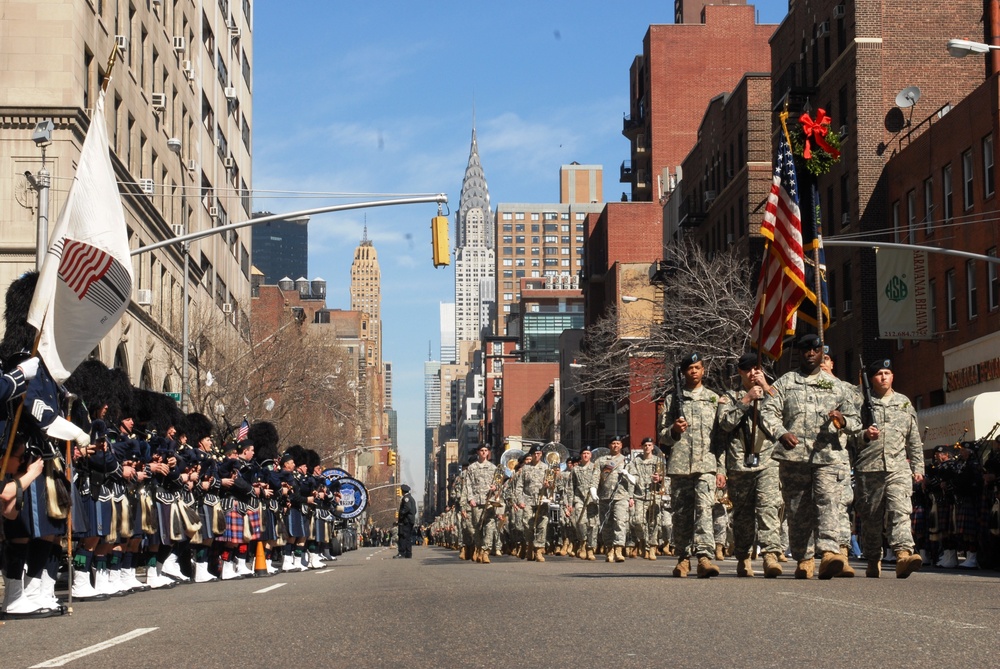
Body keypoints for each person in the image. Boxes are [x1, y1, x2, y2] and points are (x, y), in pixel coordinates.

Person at [760, 334, 861, 579]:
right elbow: (768, 411)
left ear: (822, 354)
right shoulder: (785, 383)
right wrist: (781, 432)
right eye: (806, 350)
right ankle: (804, 558)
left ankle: (828, 553)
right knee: (797, 509)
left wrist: (843, 420)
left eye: (815, 350)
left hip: (828, 456)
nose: (810, 354)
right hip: (794, 458)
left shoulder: (837, 386)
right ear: (800, 353)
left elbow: (857, 421)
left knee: (828, 502)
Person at [854, 359, 925, 578]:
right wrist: (864, 435)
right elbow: (849, 436)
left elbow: (913, 438)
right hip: (869, 468)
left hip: (897, 469)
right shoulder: (861, 402)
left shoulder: (903, 402)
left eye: (887, 373)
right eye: (878, 374)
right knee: (871, 518)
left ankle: (903, 554)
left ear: (893, 376)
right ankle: (873, 557)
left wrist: (918, 466)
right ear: (871, 378)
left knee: (900, 511)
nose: (883, 377)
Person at [716, 352, 783, 578]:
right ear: (740, 372)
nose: (753, 373)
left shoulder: (772, 393)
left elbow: (784, 414)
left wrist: (766, 388)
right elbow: (725, 424)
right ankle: (743, 557)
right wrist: (745, 401)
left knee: (768, 509)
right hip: (739, 462)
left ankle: (770, 556)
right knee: (743, 514)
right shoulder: (729, 396)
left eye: (757, 368)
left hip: (768, 460)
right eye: (748, 369)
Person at [659, 353, 723, 578]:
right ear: (683, 372)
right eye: (689, 368)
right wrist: (674, 430)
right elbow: (662, 437)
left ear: (703, 370)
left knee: (705, 510)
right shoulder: (672, 400)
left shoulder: (714, 399)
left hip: (706, 464)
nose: (694, 371)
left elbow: (720, 438)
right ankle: (683, 558)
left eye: (697, 367)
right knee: (682, 513)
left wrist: (721, 469)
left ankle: (704, 557)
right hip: (680, 465)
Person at [594, 436, 632, 563]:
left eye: (618, 443)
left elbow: (634, 480)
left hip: (621, 495)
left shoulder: (626, 461)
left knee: (620, 522)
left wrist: (626, 474)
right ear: (609, 446)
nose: (615, 446)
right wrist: (593, 489)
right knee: (606, 524)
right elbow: (596, 477)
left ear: (621, 445)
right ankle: (609, 548)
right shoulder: (601, 460)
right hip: (605, 495)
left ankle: (618, 549)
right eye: (613, 443)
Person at [626, 437, 664, 560]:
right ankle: (642, 541)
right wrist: (630, 496)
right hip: (639, 495)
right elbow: (631, 480)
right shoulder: (635, 462)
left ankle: (651, 548)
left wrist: (659, 479)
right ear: (642, 447)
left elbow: (665, 479)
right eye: (645, 445)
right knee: (638, 521)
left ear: (653, 447)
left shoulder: (658, 461)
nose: (647, 447)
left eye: (649, 445)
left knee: (653, 523)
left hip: (653, 495)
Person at [395, 484, 416, 558]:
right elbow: (415, 510)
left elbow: (407, 508)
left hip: (406, 521)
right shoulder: (411, 498)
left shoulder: (406, 498)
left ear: (403, 491)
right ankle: (408, 553)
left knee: (403, 536)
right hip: (410, 521)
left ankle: (402, 552)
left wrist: (401, 515)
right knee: (408, 537)